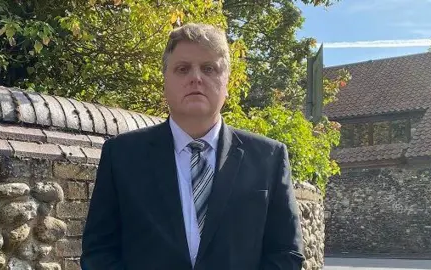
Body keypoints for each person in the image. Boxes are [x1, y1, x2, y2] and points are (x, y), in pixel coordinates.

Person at [80, 23, 305, 270]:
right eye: (183, 69)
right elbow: (99, 252)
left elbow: (286, 254)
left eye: (209, 68)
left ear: (226, 82)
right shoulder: (122, 156)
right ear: (165, 81)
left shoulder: (268, 158)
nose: (196, 78)